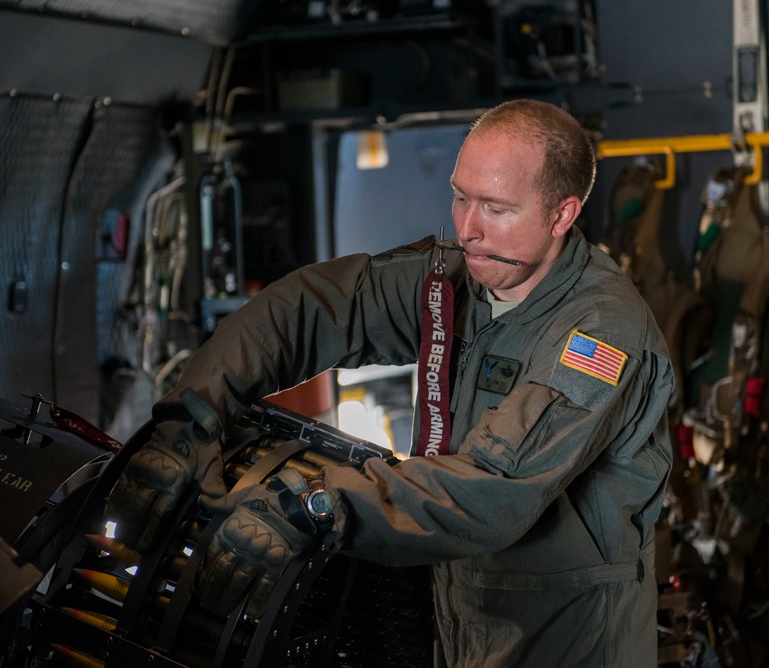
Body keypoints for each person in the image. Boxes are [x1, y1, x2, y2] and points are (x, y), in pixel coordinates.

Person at [107, 98, 675, 666]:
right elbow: (311, 309)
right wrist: (196, 411)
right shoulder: (461, 279)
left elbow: (494, 485)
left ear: (561, 215)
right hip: (460, 622)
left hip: (568, 642)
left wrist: (317, 505)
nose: (468, 228)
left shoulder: (599, 334)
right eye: (460, 197)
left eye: (497, 208)